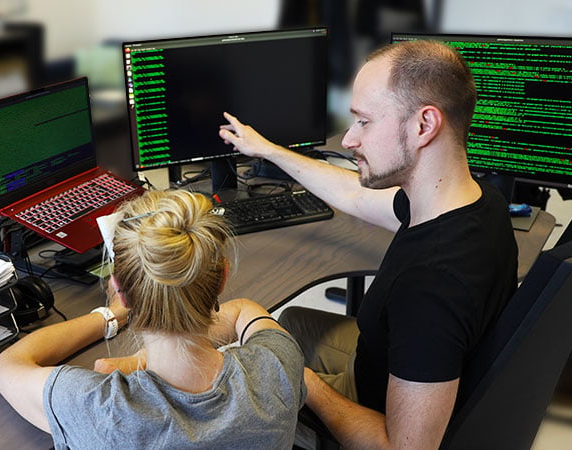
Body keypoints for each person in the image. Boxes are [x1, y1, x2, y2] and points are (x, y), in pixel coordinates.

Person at [218, 40, 518, 448]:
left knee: (241, 382)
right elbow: (355, 196)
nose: (347, 140)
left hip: (379, 411)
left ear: (424, 126)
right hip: (381, 358)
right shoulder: (473, 200)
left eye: (363, 122)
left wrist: (304, 382)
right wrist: (268, 150)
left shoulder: (431, 288)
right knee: (289, 324)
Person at [0, 189, 307, 449]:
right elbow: (245, 310)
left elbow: (6, 365)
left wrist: (111, 315)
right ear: (222, 277)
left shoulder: (98, 407)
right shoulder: (278, 362)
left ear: (121, 292)